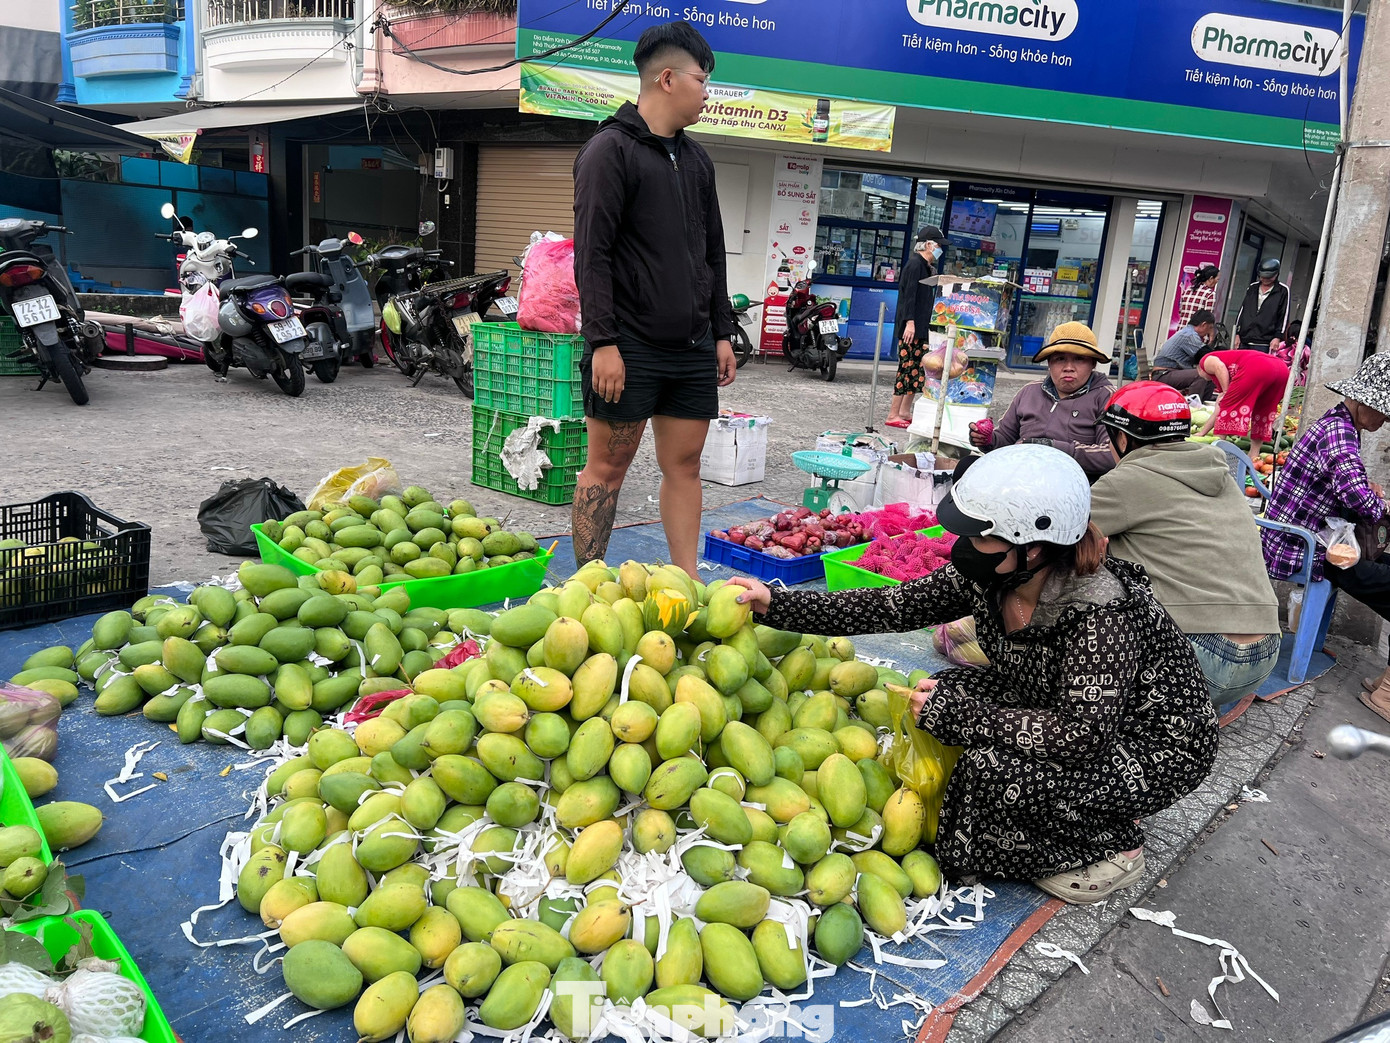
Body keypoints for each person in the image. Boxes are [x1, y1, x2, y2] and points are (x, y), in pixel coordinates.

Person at [728, 444, 1218, 903]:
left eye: (981, 535)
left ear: (1034, 546)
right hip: (1060, 704)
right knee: (944, 691)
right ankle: (1060, 809)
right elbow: (892, 605)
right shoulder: (995, 574)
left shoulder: (1100, 615)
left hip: (1148, 746)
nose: (965, 546)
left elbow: (1081, 734)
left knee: (991, 768)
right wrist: (777, 604)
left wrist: (966, 718)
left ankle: (1113, 843)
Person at [571, 21, 737, 577]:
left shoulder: (698, 160)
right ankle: (588, 588)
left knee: (684, 466)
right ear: (667, 79)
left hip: (691, 347)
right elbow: (591, 255)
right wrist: (603, 342)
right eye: (702, 80)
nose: (707, 92)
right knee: (607, 469)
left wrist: (721, 331)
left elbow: (713, 252)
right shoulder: (608, 151)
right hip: (629, 345)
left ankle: (687, 581)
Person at [1090, 382, 1280, 711]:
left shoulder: (1126, 480)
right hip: (1264, 655)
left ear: (1121, 437)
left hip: (1197, 661)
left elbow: (1058, 532)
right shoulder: (1218, 472)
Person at [1260, 354, 1390, 719]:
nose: (1384, 422)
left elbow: (1348, 486)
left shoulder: (1341, 426)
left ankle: (1386, 684)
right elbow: (1358, 500)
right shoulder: (1339, 435)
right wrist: (1382, 506)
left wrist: (1368, 489)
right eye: (1383, 413)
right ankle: (1386, 695)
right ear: (1363, 402)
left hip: (1317, 540)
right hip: (1303, 548)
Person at [968, 321, 1116, 480]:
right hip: (1020, 474)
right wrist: (986, 439)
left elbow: (1112, 455)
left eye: (1079, 359)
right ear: (1049, 363)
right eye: (1060, 359)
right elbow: (1005, 438)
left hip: (1073, 483)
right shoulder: (1029, 391)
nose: (1069, 367)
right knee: (966, 467)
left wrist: (1053, 448)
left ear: (1093, 363)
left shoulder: (1108, 398)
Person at [885, 225, 944, 429]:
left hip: (921, 327)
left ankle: (904, 411)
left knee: (916, 371)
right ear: (928, 245)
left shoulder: (925, 266)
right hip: (910, 328)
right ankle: (893, 414)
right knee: (906, 369)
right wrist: (909, 322)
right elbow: (908, 297)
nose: (940, 250)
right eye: (938, 245)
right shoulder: (914, 264)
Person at [1193, 348, 1291, 465]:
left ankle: (1217, 456)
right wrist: (1202, 432)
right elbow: (1219, 410)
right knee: (1263, 412)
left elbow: (1219, 367)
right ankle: (1253, 456)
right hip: (1282, 369)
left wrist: (1225, 391)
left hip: (1257, 366)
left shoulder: (1205, 360)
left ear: (1198, 367)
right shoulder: (1231, 372)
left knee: (1228, 410)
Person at [1151, 309, 1216, 398]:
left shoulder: (1187, 332)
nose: (1209, 332)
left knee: (1211, 374)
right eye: (1210, 328)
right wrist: (1212, 340)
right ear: (1204, 325)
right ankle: (1193, 404)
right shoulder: (1189, 335)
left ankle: (1204, 402)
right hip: (1163, 374)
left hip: (1170, 372)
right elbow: (1206, 355)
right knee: (1201, 376)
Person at [1232, 258, 1290, 352]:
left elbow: (1284, 315)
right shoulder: (1252, 287)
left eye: (1269, 277)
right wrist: (1237, 333)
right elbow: (1243, 311)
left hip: (1264, 342)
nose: (1265, 280)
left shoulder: (1283, 290)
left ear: (1276, 274)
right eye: (1262, 277)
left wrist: (1278, 336)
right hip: (1245, 339)